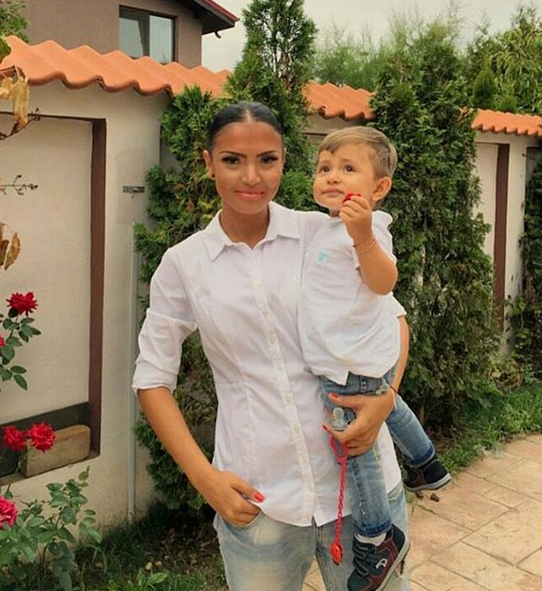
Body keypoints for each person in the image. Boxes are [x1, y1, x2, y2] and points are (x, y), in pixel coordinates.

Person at [132, 101, 410, 591]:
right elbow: (152, 380)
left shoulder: (323, 233)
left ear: (284, 161)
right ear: (208, 163)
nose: (251, 177)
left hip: (361, 495)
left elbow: (394, 317)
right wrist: (205, 479)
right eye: (232, 160)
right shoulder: (184, 264)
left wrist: (386, 399)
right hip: (259, 502)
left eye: (267, 160)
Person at [298, 126, 451, 591]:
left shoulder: (369, 228)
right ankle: (425, 462)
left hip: (349, 362)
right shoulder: (322, 228)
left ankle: (375, 538)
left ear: (379, 188)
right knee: (387, 401)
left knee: (355, 447)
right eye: (324, 168)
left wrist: (363, 236)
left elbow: (384, 283)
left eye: (348, 169)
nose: (332, 177)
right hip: (354, 358)